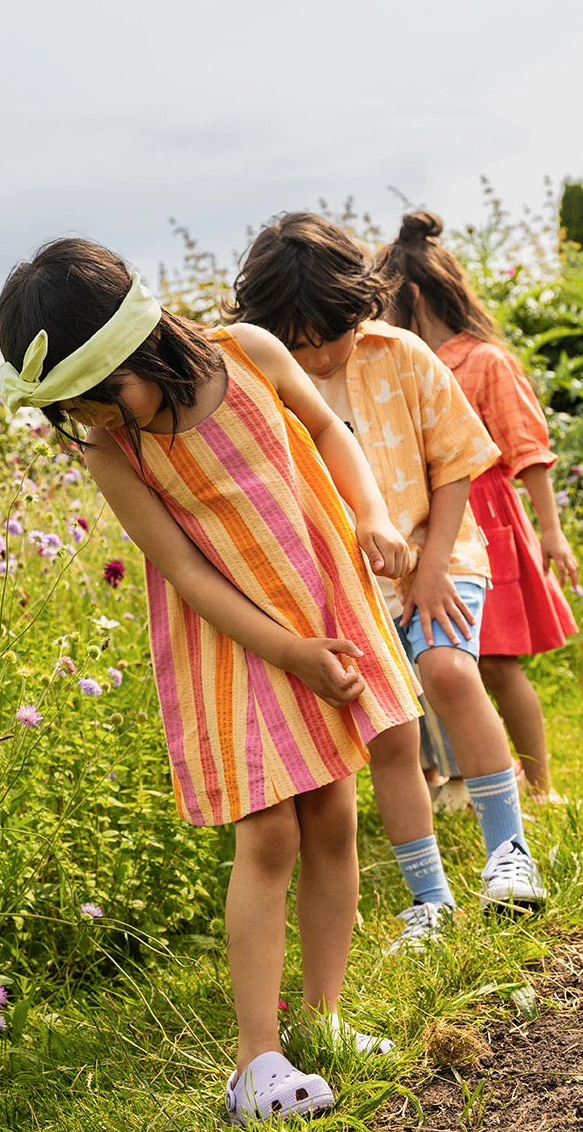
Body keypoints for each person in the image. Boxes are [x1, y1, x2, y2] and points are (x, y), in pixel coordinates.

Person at [0, 238, 423, 1124]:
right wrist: (290, 651)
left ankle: (326, 1021)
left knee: (335, 816)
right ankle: (255, 1061)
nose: (100, 421)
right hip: (235, 643)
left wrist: (373, 514)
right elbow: (189, 577)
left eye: (102, 400)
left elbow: (330, 432)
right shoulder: (117, 454)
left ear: (139, 352)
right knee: (269, 832)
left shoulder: (254, 356)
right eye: (75, 412)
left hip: (320, 608)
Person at [225, 212, 546, 954]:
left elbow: (459, 461)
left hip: (439, 556)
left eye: (325, 339)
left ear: (357, 305)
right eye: (296, 346)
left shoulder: (399, 353)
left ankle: (509, 854)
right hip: (351, 591)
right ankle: (429, 900)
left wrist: (432, 569)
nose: (314, 357)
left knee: (449, 673)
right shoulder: (266, 385)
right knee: (394, 739)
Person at [381, 211, 578, 804]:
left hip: (490, 518)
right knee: (448, 662)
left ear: (412, 294)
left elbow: (528, 451)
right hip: (436, 522)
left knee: (498, 663)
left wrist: (552, 531)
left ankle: (541, 789)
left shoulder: (486, 361)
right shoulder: (403, 364)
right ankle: (476, 779)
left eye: (388, 299)